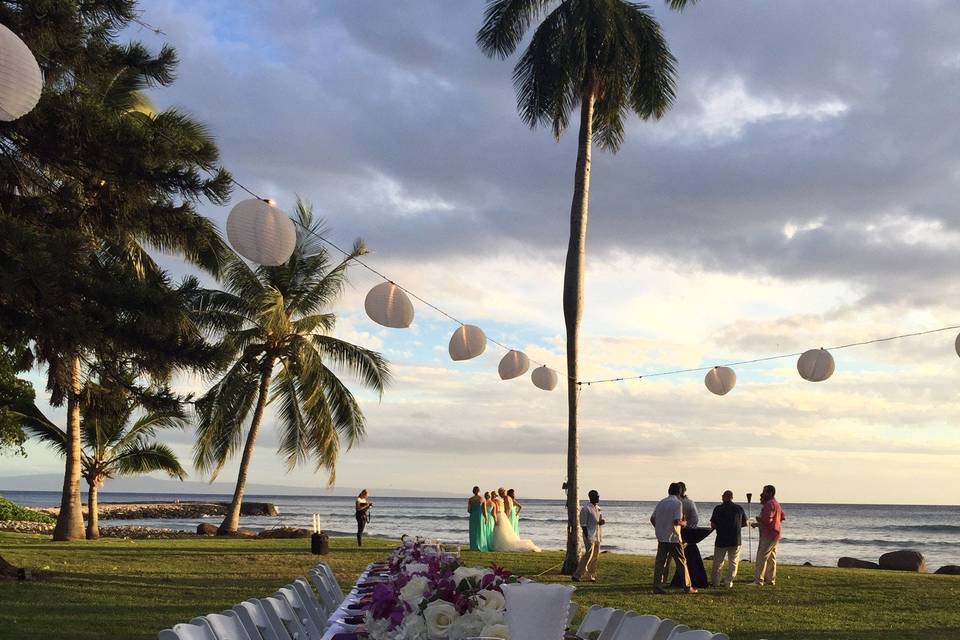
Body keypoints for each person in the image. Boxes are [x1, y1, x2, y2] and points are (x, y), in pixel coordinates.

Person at [651, 482, 695, 594]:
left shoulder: (661, 502)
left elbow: (652, 519)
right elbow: (676, 521)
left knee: (660, 563)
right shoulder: (678, 503)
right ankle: (687, 587)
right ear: (679, 492)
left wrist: (660, 527)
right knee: (681, 562)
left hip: (662, 537)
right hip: (674, 538)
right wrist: (684, 522)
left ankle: (657, 586)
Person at [709, 490, 747, 588]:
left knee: (718, 562)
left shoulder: (718, 508)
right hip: (735, 539)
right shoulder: (739, 508)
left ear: (723, 497)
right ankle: (728, 582)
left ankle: (716, 582)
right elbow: (744, 523)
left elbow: (713, 524)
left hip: (721, 538)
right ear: (732, 497)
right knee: (733, 562)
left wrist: (719, 527)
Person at [750, 484, 786, 586]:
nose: (763, 493)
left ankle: (758, 581)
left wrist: (758, 519)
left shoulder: (769, 504)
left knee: (761, 557)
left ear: (770, 493)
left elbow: (767, 520)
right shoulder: (776, 503)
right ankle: (770, 579)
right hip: (775, 534)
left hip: (768, 534)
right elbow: (782, 517)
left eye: (764, 491)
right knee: (771, 558)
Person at [491, 487, 541, 552]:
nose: (499, 495)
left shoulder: (506, 498)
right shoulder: (509, 498)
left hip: (507, 516)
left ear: (502, 493)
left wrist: (506, 517)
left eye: (500, 493)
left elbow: (508, 508)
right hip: (508, 515)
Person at [573, 489, 603, 582]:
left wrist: (601, 522)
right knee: (588, 555)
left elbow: (598, 521)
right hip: (589, 535)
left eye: (598, 496)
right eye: (596, 496)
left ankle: (590, 574)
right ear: (591, 497)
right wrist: (587, 536)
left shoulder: (598, 508)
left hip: (597, 535)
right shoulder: (586, 509)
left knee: (595, 556)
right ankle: (577, 575)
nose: (598, 497)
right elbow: (583, 524)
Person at [468, 486, 485, 551]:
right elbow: (484, 509)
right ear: (479, 491)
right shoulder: (482, 498)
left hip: (473, 515)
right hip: (480, 515)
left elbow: (469, 510)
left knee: (473, 531)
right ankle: (481, 545)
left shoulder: (470, 499)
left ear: (473, 491)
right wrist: (485, 517)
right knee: (480, 530)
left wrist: (473, 510)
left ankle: (473, 546)